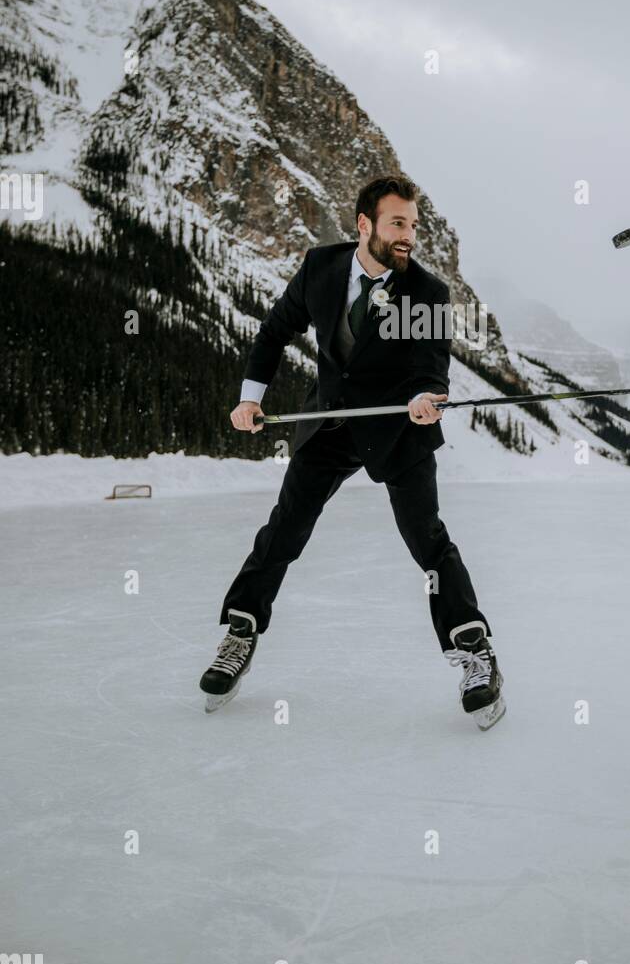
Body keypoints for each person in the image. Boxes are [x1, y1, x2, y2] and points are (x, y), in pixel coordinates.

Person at [199, 174, 505, 729]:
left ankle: (475, 651)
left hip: (398, 429)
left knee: (427, 541)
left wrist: (422, 397)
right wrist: (249, 399)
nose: (408, 234)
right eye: (397, 223)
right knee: (285, 528)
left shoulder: (428, 293)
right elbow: (273, 333)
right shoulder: (321, 268)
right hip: (330, 424)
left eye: (413, 224)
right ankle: (240, 631)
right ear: (365, 225)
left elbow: (431, 363)